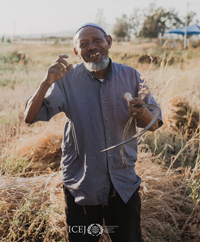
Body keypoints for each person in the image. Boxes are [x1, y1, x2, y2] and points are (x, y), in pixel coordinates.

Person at [24, 23, 163, 242]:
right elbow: (29, 117)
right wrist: (45, 82)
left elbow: (154, 124)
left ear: (108, 41)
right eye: (84, 44)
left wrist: (141, 113)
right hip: (83, 186)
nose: (92, 47)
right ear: (76, 52)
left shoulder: (131, 76)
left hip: (123, 184)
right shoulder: (67, 80)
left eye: (97, 40)